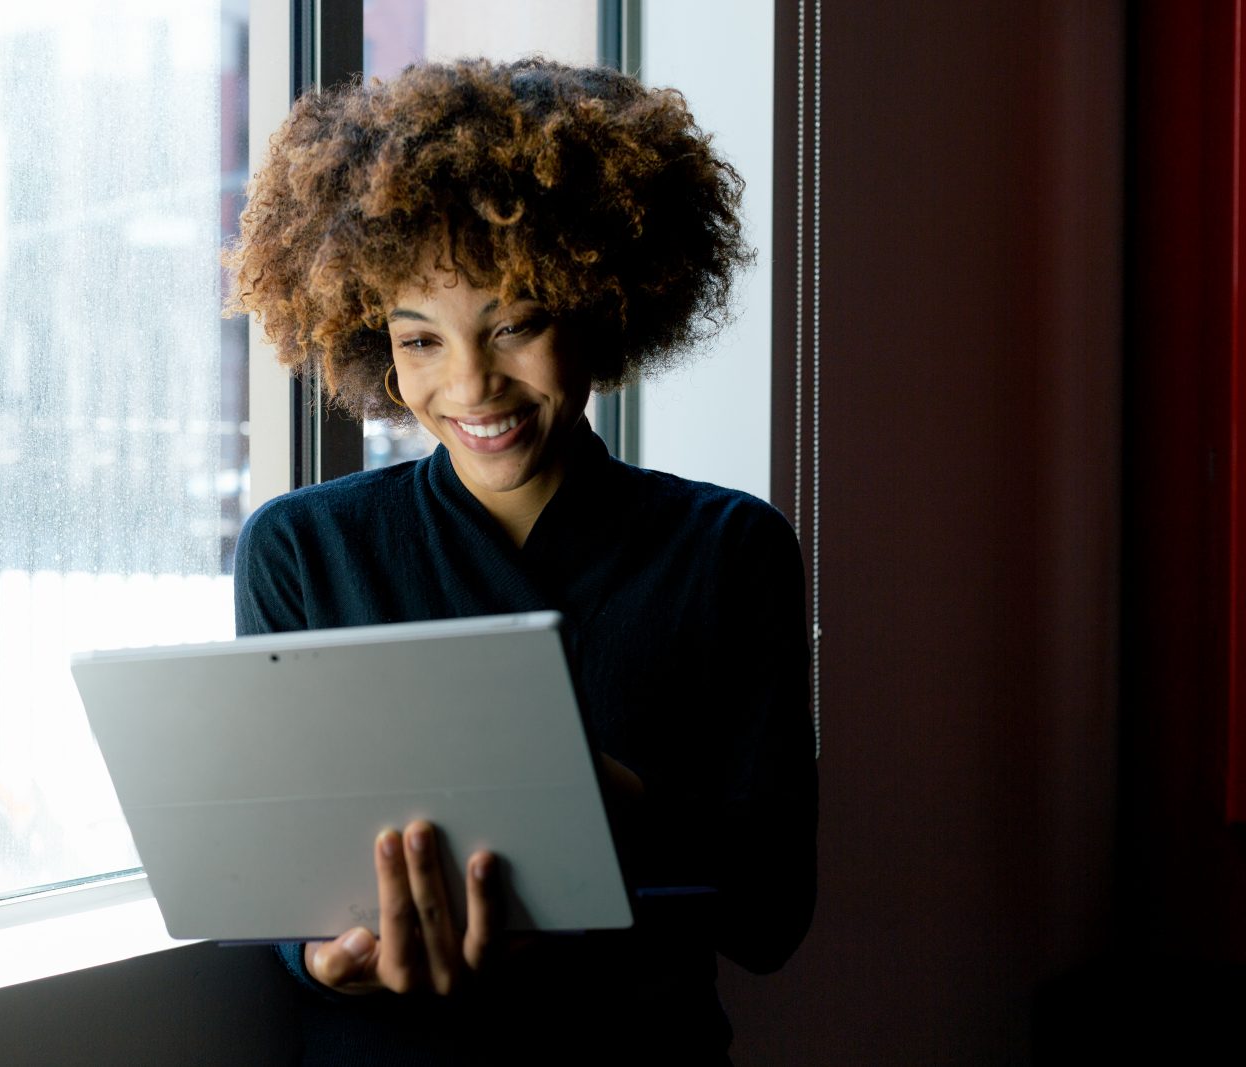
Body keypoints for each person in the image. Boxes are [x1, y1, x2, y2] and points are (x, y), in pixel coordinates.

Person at [226, 57, 817, 1065]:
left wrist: (611, 798)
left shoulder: (726, 551)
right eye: (419, 340)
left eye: (517, 324)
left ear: (605, 304)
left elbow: (768, 916)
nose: (468, 385)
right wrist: (315, 955)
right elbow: (285, 876)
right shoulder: (304, 549)